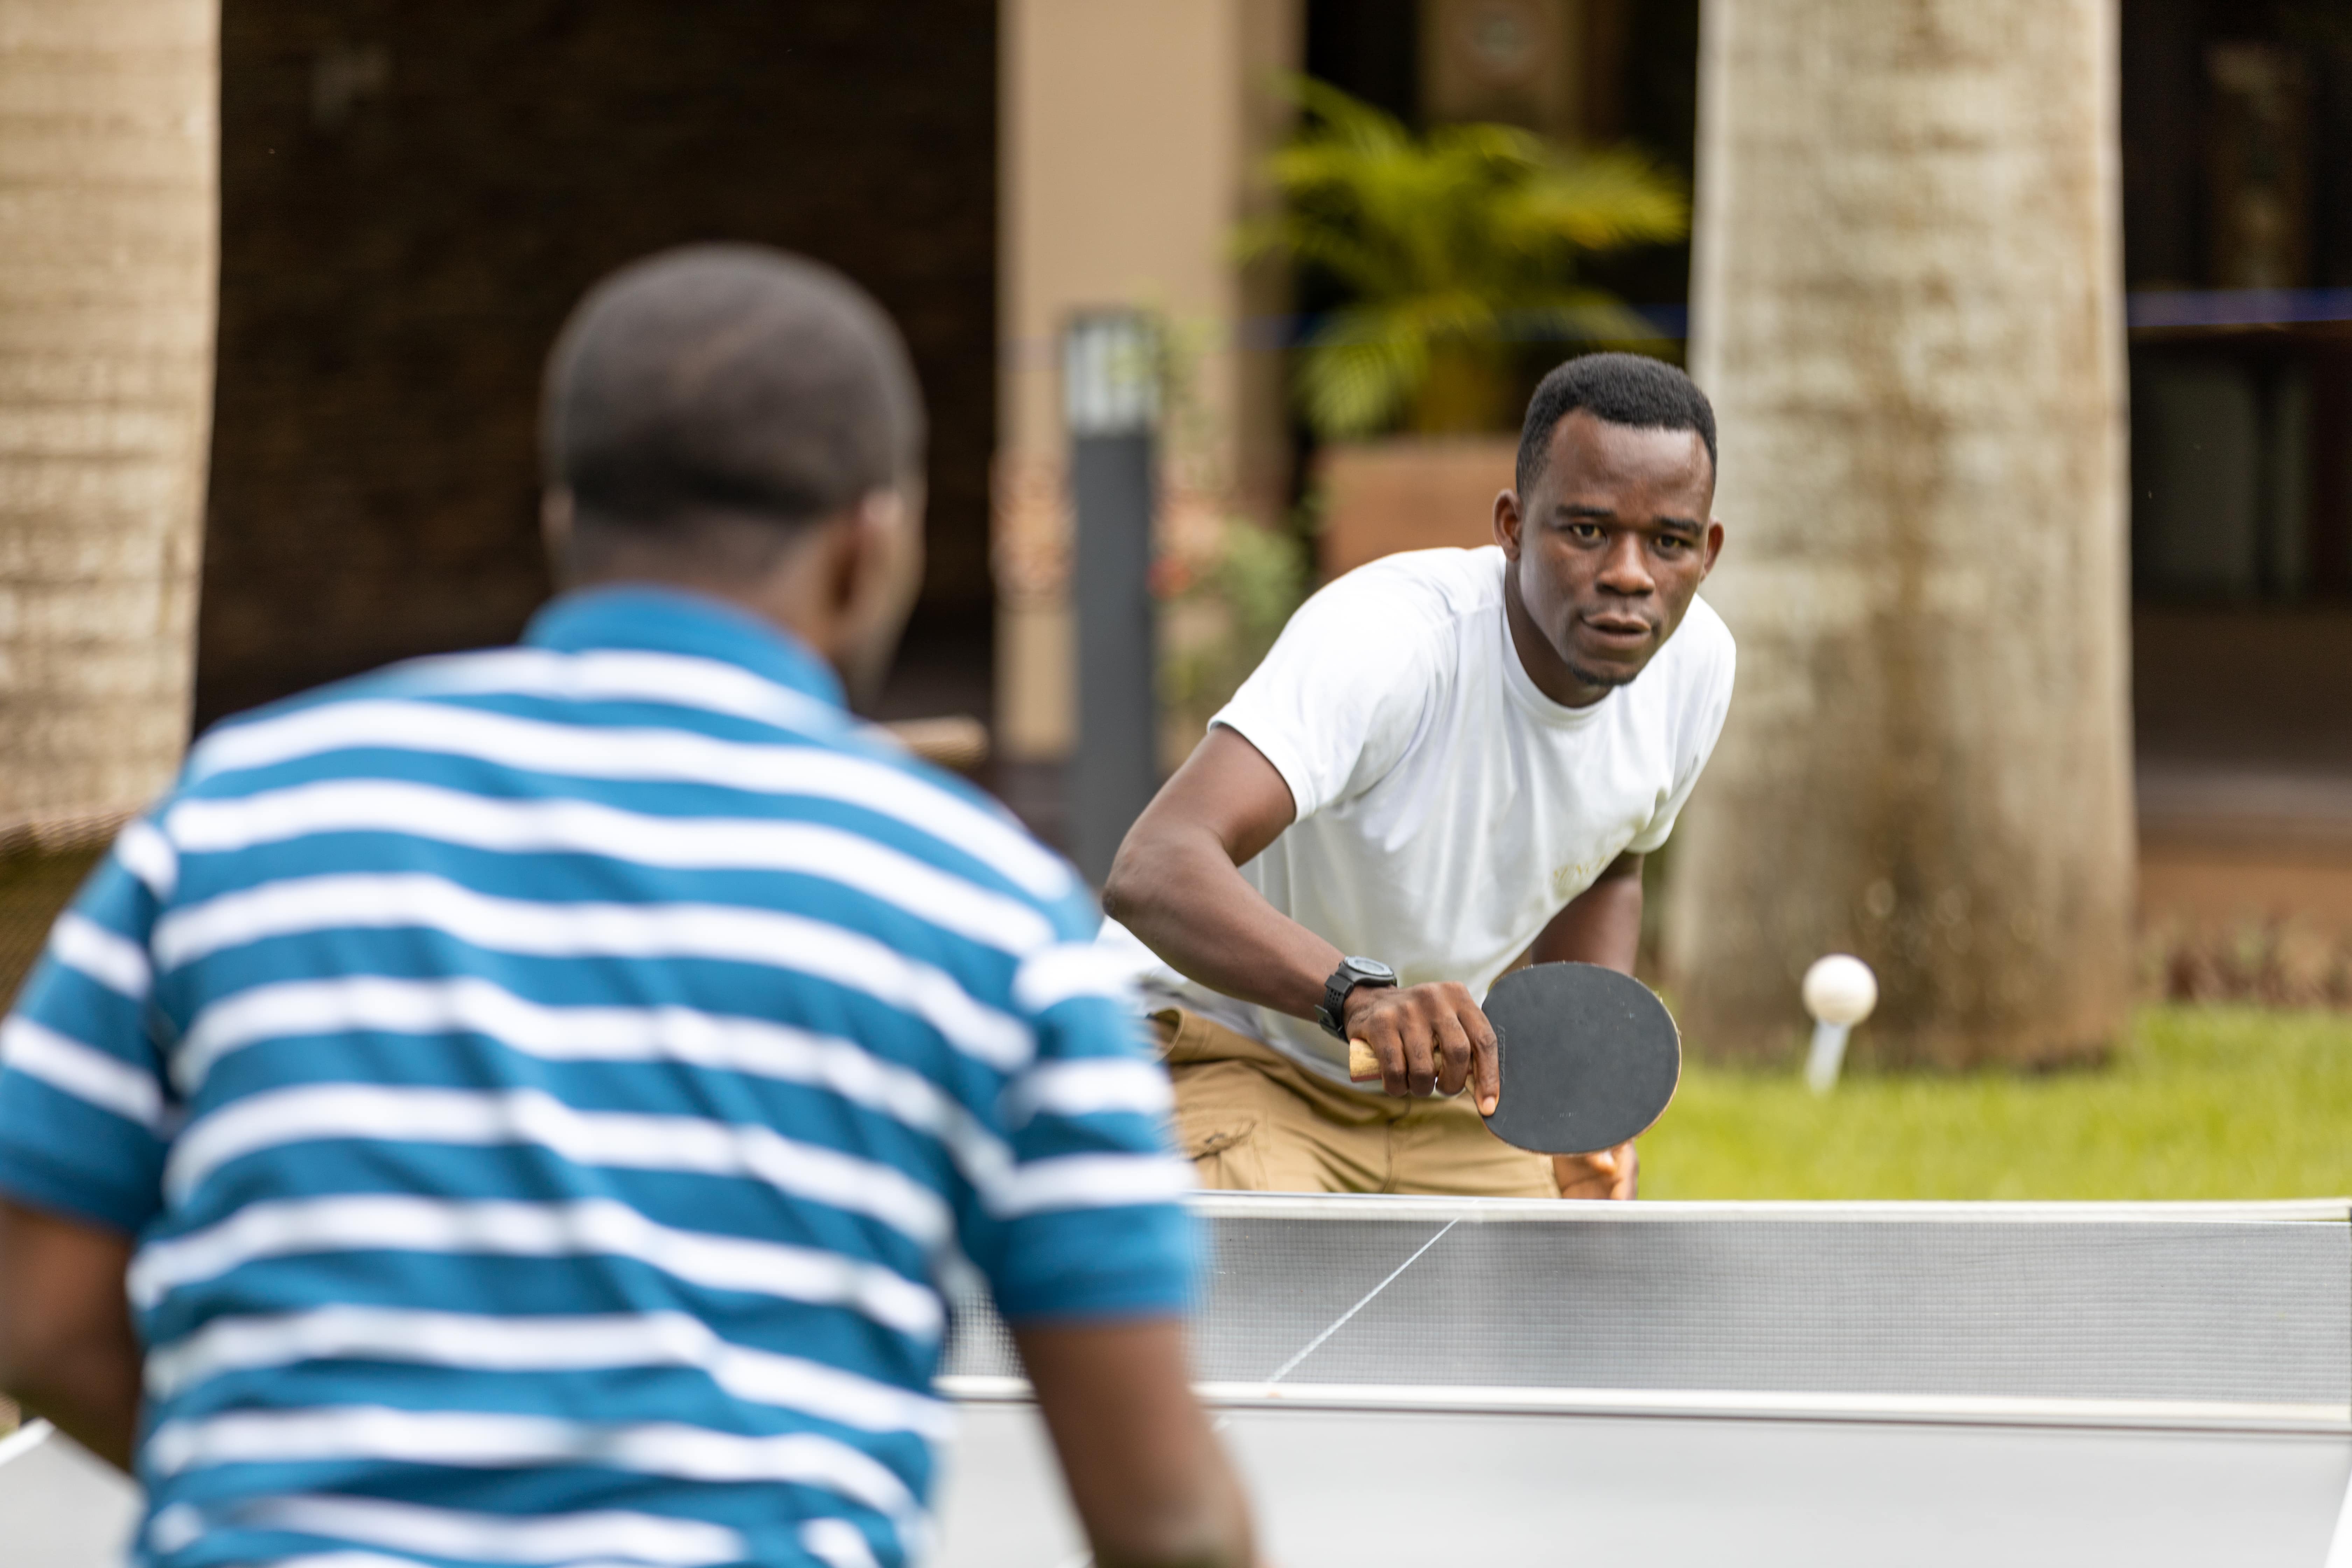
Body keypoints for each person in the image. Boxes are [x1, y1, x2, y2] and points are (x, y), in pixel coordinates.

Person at [0, 246, 1254, 1568]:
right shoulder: (986, 904)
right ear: (866, 545)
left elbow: (34, 1311)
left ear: (563, 520)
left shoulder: (239, 810)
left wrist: (273, 1488)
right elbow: (1164, 1519)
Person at [1101, 353, 1731, 1201]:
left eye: (1669, 541)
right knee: (1268, 1311)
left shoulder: (1696, 666)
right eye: (1586, 530)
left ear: (1708, 550)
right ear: (1512, 525)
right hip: (1236, 1049)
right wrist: (1354, 995)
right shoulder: (1390, 641)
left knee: (1561, 1313)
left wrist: (1580, 1094)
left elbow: (1610, 859)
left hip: (1432, 1088)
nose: (1629, 571)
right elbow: (1155, 864)